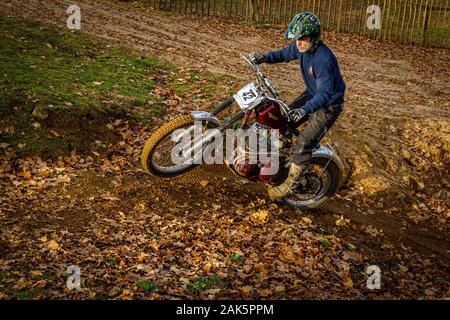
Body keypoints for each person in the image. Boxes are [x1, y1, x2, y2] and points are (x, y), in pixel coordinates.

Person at [250, 12, 346, 201]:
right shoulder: (301, 48)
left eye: (302, 38)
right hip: (312, 95)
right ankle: (279, 162)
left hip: (328, 106)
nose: (298, 42)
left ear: (314, 36)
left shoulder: (323, 60)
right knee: (282, 119)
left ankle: (290, 184)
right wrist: (263, 58)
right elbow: (284, 54)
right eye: (296, 38)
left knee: (303, 143)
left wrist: (305, 110)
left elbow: (325, 94)